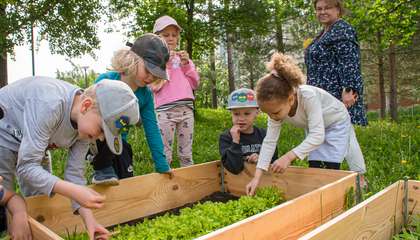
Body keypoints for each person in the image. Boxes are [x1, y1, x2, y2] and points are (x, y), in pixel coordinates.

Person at [0, 76, 141, 240]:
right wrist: (74, 191)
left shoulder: (84, 129)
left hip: (36, 144)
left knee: (39, 199)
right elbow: (27, 167)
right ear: (86, 106)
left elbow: (74, 174)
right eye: (102, 129)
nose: (101, 138)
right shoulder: (50, 104)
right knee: (6, 208)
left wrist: (90, 222)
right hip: (4, 134)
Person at [246, 52, 366, 196]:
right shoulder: (275, 109)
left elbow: (317, 136)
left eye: (276, 113)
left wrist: (288, 157)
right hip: (315, 127)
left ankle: (356, 186)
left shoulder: (308, 96)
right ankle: (320, 197)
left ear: (290, 99)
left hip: (336, 122)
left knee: (328, 167)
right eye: (268, 114)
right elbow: (269, 142)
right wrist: (256, 177)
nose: (272, 117)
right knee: (315, 166)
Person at [90, 33, 173, 185]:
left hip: (120, 143)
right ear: (132, 59)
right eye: (147, 71)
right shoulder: (106, 81)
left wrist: (161, 163)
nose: (150, 78)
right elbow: (88, 112)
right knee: (107, 170)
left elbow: (152, 129)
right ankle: (102, 171)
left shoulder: (145, 96)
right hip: (98, 139)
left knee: (125, 176)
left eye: (155, 75)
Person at [305, 0, 368, 126]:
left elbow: (350, 62)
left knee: (343, 139)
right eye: (319, 9)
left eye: (327, 8)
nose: (322, 12)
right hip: (323, 97)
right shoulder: (324, 33)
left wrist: (349, 89)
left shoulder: (342, 29)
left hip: (339, 97)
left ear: (338, 9)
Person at [151, 15, 200, 167]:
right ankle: (165, 185)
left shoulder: (184, 59)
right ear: (157, 38)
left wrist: (186, 65)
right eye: (165, 35)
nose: (171, 38)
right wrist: (165, 64)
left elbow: (195, 83)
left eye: (174, 35)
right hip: (165, 112)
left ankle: (189, 183)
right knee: (165, 152)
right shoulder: (154, 61)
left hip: (186, 110)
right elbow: (154, 86)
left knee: (186, 153)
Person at [219, 88, 278, 175]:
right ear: (231, 114)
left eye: (247, 114)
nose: (241, 119)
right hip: (237, 184)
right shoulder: (226, 138)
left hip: (264, 182)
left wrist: (262, 158)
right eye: (236, 114)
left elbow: (274, 159)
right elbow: (234, 168)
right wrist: (235, 141)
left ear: (257, 113)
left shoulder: (264, 135)